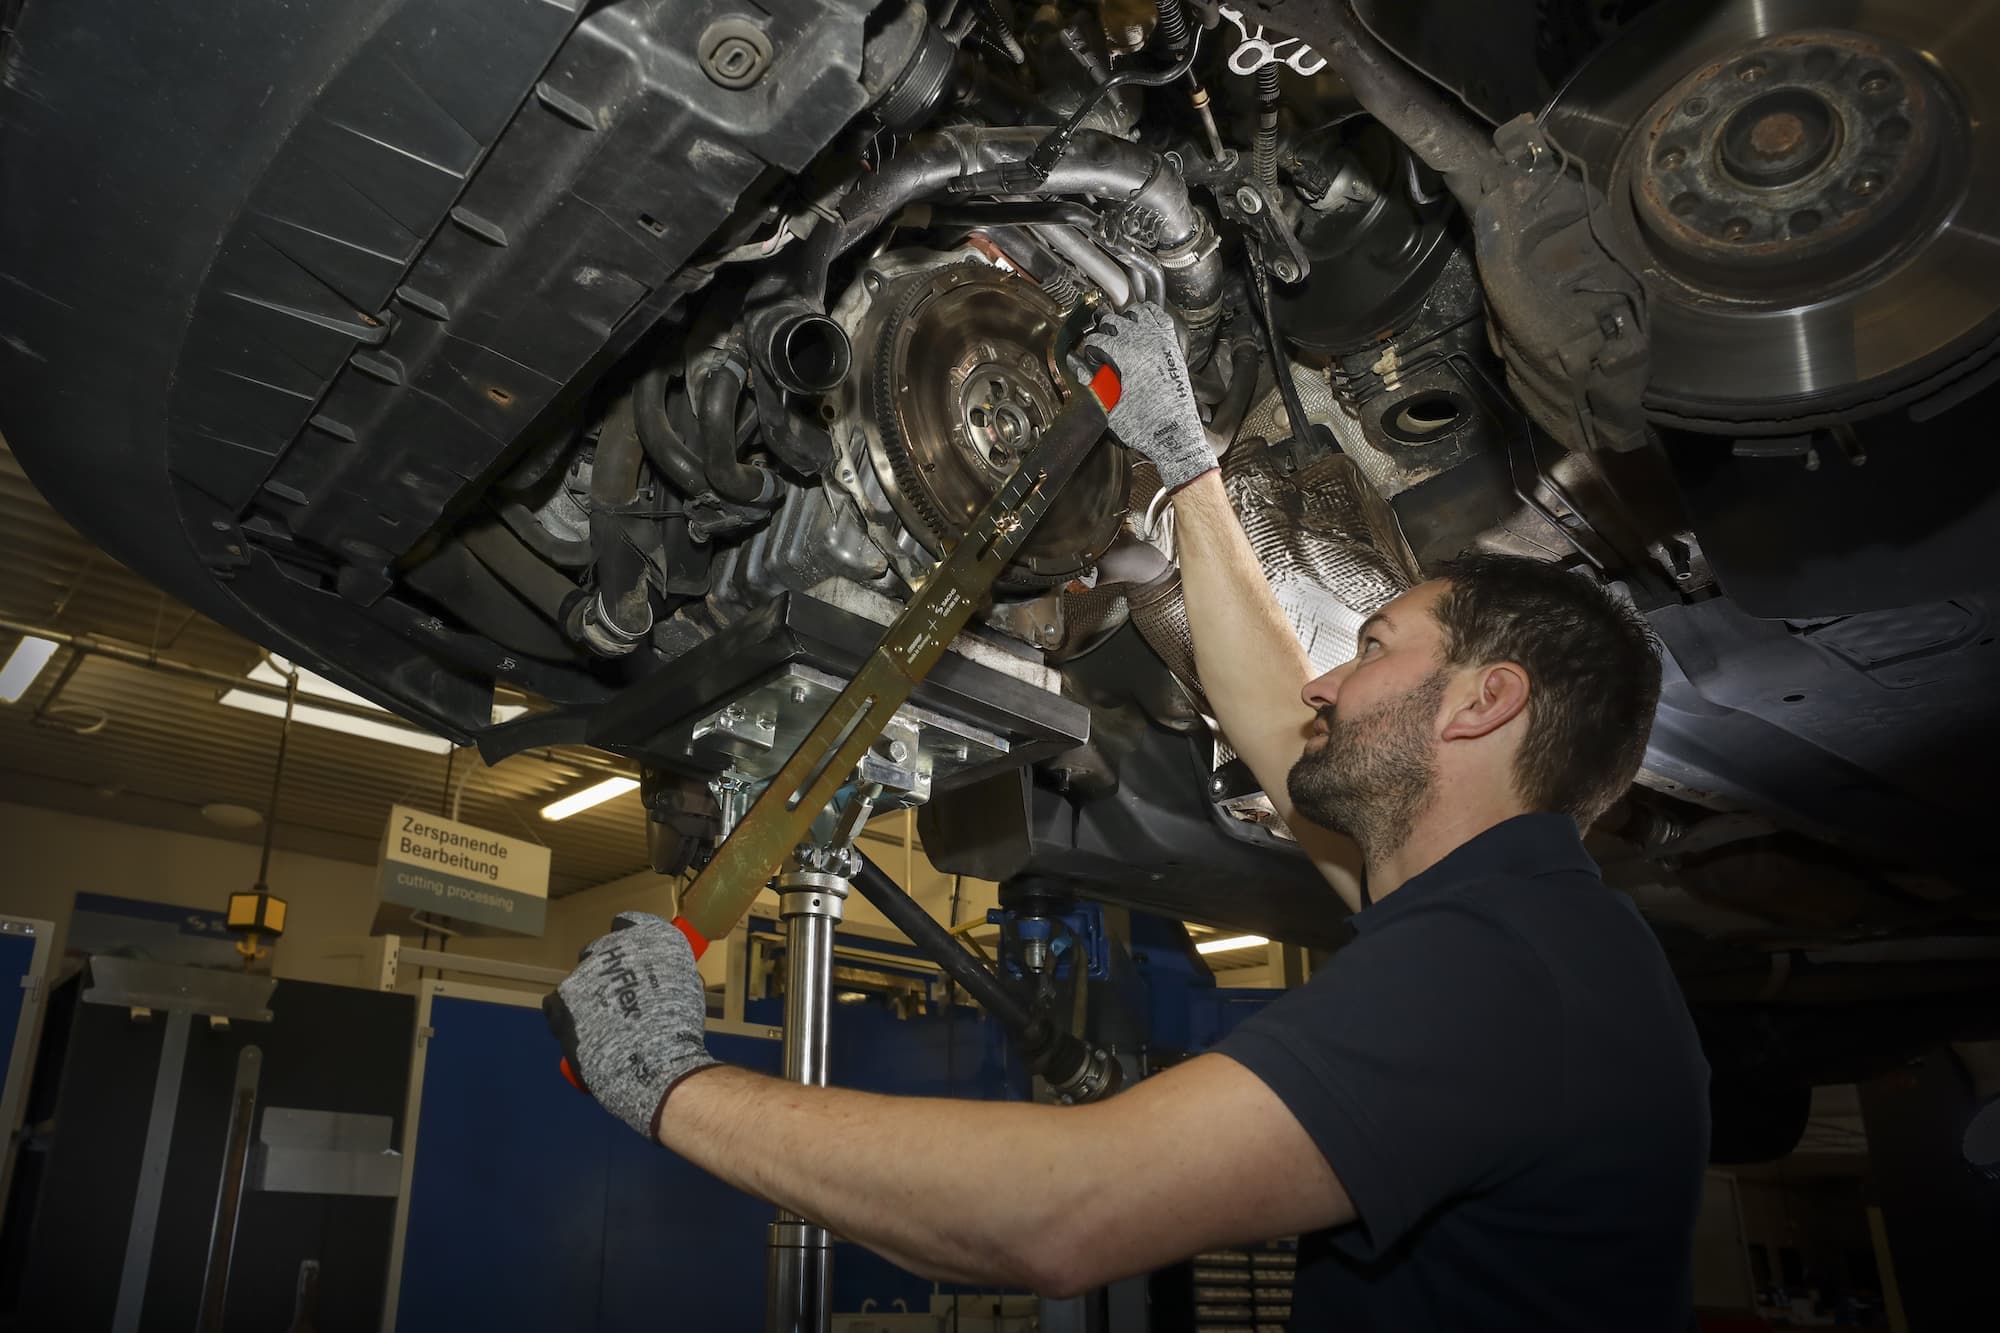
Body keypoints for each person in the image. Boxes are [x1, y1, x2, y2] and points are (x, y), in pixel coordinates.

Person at [547, 303, 1710, 1329]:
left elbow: (1060, 1217)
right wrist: (1188, 473)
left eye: (1371, 650)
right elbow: (1268, 715)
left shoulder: (1501, 974)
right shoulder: (1525, 929)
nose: (1323, 682)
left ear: (1482, 702)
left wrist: (670, 1086)